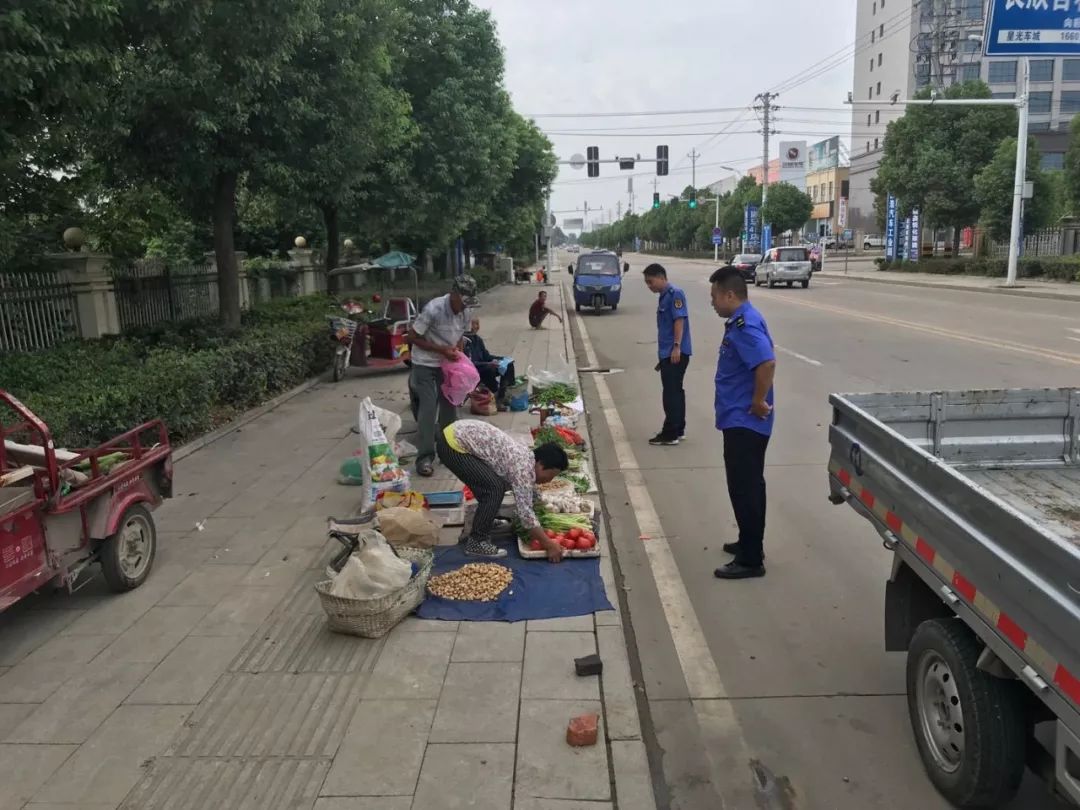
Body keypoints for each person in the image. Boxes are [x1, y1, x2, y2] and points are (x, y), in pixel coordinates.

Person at [709, 266, 775, 580]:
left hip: (745, 420)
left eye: (714, 296)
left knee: (744, 488)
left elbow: (766, 362)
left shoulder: (745, 324)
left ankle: (750, 559)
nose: (712, 302)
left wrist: (758, 400)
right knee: (750, 486)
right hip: (739, 418)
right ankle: (750, 542)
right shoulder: (743, 319)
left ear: (729, 295)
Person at [437, 419, 569, 561]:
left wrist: (538, 503)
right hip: (453, 444)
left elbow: (526, 492)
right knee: (494, 489)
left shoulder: (527, 459)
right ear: (541, 465)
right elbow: (526, 515)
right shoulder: (522, 470)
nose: (549, 481)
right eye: (550, 476)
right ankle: (477, 541)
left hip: (455, 436)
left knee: (493, 484)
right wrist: (548, 544)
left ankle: (484, 521)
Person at [408, 275, 478, 477]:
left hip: (447, 364)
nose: (464, 307)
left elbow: (460, 337)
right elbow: (412, 337)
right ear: (453, 294)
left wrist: (459, 355)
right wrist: (441, 350)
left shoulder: (466, 310)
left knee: (450, 408)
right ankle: (425, 457)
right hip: (424, 364)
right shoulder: (434, 309)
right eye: (462, 302)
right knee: (429, 408)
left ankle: (448, 452)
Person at [642, 263, 691, 446]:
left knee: (671, 394)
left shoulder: (674, 294)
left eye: (651, 281)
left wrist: (676, 347)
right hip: (669, 353)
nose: (649, 286)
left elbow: (679, 320)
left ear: (661, 277)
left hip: (674, 353)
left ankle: (670, 433)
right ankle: (679, 428)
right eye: (647, 283)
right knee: (676, 391)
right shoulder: (664, 296)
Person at [463, 318, 515, 410]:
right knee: (489, 369)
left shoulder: (478, 339)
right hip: (474, 370)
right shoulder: (464, 342)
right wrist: (488, 363)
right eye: (474, 324)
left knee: (509, 365)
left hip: (484, 365)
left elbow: (486, 356)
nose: (477, 327)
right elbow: (470, 363)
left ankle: (503, 395)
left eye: (477, 324)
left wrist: (502, 359)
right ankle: (496, 395)